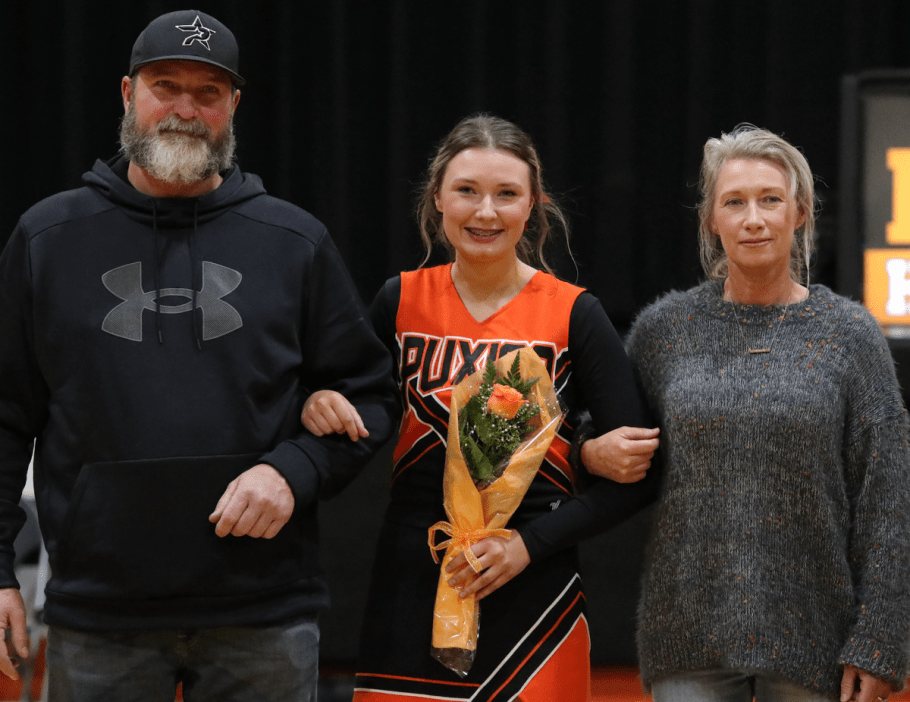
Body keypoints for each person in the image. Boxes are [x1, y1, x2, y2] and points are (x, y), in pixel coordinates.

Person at [0, 10, 396, 701]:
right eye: (166, 86)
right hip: (99, 617)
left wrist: (294, 469)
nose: (185, 108)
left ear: (233, 106)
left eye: (208, 92)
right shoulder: (47, 239)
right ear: (127, 94)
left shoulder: (293, 241)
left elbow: (369, 396)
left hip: (264, 615)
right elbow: (5, 416)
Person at [301, 113, 660, 701]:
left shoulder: (576, 314)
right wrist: (319, 398)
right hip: (412, 582)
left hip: (532, 585)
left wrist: (529, 544)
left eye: (506, 194)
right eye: (467, 191)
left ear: (533, 205)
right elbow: (356, 407)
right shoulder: (400, 300)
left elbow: (637, 476)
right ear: (438, 197)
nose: (485, 212)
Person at [581, 124, 910, 702]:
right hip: (688, 636)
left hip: (818, 640)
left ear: (800, 213)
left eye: (770, 200)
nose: (753, 219)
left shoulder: (851, 336)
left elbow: (888, 496)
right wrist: (589, 450)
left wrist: (881, 638)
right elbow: (600, 428)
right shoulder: (664, 331)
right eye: (734, 202)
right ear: (711, 219)